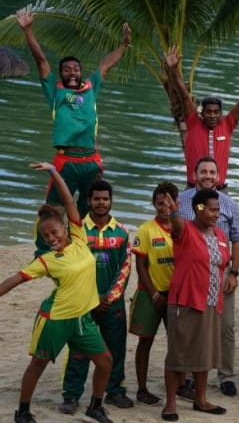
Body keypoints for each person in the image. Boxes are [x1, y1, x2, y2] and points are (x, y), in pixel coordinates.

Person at [1, 162, 114, 423]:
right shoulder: (46, 261)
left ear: (64, 228)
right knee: (38, 365)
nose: (51, 237)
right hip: (55, 319)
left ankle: (95, 407)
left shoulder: (79, 237)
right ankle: (23, 412)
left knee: (105, 361)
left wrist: (54, 172)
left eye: (54, 232)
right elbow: (15, 279)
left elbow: (69, 201)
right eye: (45, 235)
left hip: (82, 319)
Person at [17, 8, 130, 254]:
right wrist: (27, 29)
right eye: (66, 69)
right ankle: (43, 251)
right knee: (53, 208)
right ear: (62, 74)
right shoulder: (55, 92)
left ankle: (83, 246)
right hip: (66, 160)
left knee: (90, 206)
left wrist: (124, 45)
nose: (71, 72)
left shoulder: (91, 86)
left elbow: (106, 64)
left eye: (75, 69)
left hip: (90, 158)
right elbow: (41, 60)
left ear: (80, 72)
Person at [60, 179, 134, 413]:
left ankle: (115, 391)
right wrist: (91, 296)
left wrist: (109, 297)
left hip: (113, 304)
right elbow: (72, 266)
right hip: (83, 303)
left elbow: (125, 269)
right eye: (96, 199)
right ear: (89, 201)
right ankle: (71, 396)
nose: (101, 203)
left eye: (105, 198)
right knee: (78, 350)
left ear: (111, 201)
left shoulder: (122, 233)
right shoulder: (77, 230)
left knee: (116, 350)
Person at [162, 187, 231, 421]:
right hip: (186, 301)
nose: (215, 214)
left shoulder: (221, 236)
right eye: (211, 210)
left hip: (212, 301)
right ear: (198, 209)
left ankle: (200, 400)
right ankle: (170, 403)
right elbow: (177, 225)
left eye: (217, 210)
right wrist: (173, 213)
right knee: (178, 353)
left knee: (204, 353)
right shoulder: (186, 230)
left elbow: (221, 264)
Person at [177, 157, 239, 396]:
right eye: (203, 171)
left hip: (221, 271)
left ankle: (226, 375)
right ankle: (186, 376)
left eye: (212, 172)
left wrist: (234, 273)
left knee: (225, 326)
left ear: (218, 176)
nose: (208, 176)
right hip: (191, 274)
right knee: (191, 324)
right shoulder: (181, 201)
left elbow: (238, 239)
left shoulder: (229, 204)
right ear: (194, 174)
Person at [165, 46, 239, 188]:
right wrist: (174, 70)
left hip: (219, 191)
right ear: (202, 113)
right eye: (209, 112)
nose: (212, 115)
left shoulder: (227, 124)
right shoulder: (193, 122)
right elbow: (184, 97)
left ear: (220, 114)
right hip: (194, 189)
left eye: (216, 112)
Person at [129, 182, 179, 406]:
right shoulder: (145, 230)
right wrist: (154, 293)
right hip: (150, 295)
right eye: (159, 203)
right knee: (145, 342)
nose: (164, 207)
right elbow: (140, 266)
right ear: (153, 204)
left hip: (176, 295)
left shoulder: (182, 228)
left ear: (175, 203)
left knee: (177, 343)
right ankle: (141, 388)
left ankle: (180, 385)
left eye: (168, 203)